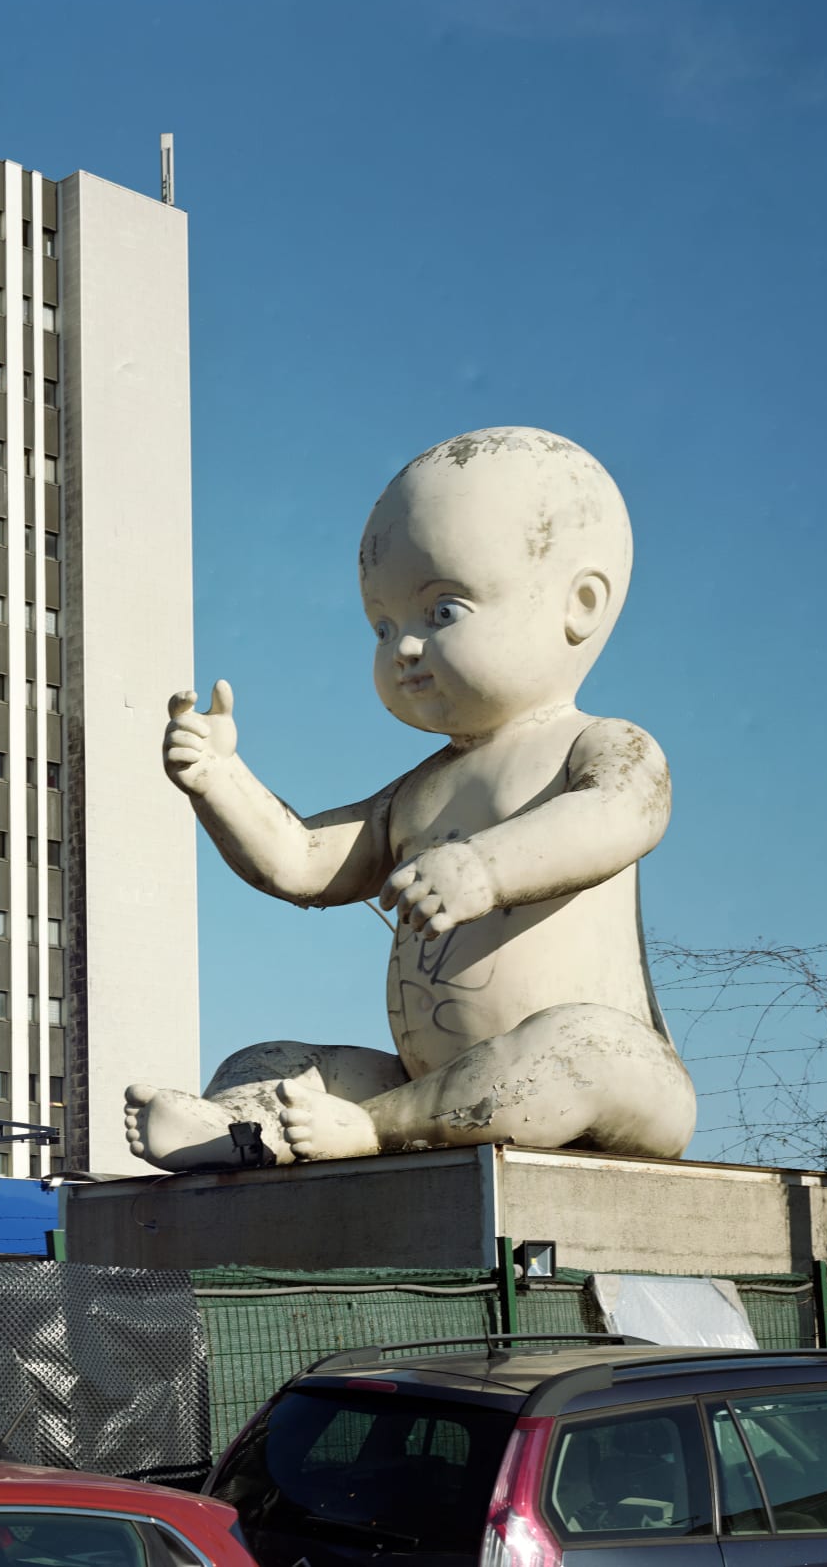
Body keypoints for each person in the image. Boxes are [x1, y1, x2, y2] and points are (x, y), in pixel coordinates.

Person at [124, 427, 696, 1170]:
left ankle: (370, 1129)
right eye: (384, 626)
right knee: (273, 1062)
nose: (404, 648)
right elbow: (304, 861)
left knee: (579, 1049)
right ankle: (238, 1132)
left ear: (579, 604)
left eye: (443, 611)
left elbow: (621, 814)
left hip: (618, 1076)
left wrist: (485, 868)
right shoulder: (419, 790)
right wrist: (218, 779)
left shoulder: (599, 743)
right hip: (433, 1085)